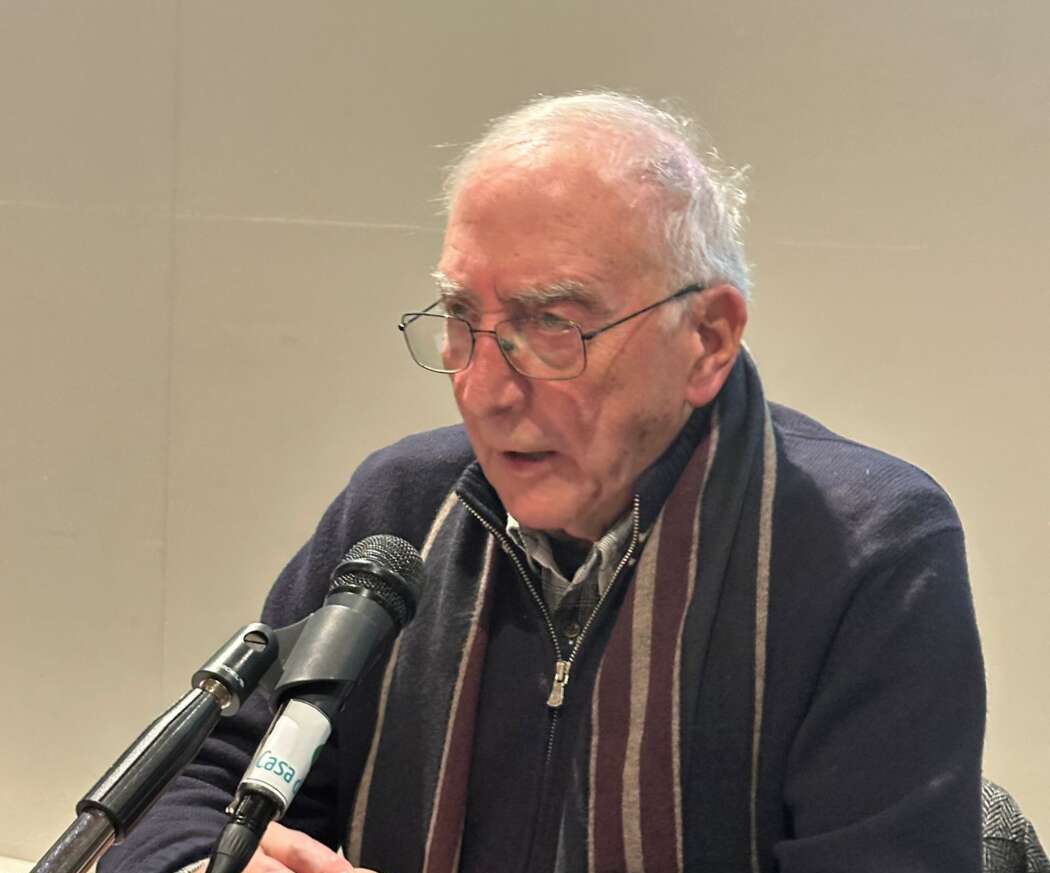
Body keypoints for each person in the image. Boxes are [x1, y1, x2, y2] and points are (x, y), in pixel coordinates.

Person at [98, 91, 985, 873]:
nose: (483, 389)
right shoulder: (403, 511)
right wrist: (201, 862)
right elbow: (204, 778)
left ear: (708, 338)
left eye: (552, 324)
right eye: (461, 318)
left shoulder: (866, 549)